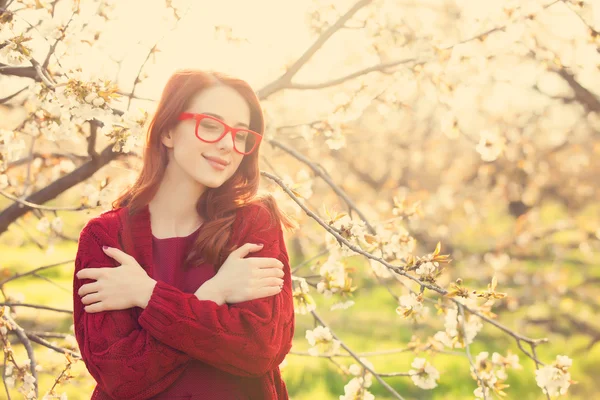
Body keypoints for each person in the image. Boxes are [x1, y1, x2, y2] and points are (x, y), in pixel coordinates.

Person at [72, 69, 296, 400]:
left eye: (241, 135)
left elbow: (260, 349)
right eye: (210, 125)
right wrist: (215, 292)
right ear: (167, 132)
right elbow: (121, 376)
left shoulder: (254, 224)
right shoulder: (106, 238)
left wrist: (149, 295)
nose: (227, 145)